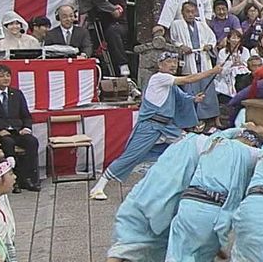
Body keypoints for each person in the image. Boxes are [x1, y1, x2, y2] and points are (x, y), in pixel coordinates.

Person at [151, 130, 262, 262]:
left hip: (189, 203)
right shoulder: (249, 153)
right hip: (213, 211)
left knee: (176, 254)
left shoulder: (214, 143)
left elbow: (221, 133)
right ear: (252, 143)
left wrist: (239, 128)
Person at [88, 133, 209, 262]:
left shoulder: (179, 147)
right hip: (164, 207)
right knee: (161, 245)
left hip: (139, 198)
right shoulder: (202, 157)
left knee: (127, 243)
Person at [89, 52, 220, 200]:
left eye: (175, 62)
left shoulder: (170, 83)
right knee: (131, 157)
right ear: (160, 65)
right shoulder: (159, 78)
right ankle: (99, 186)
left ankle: (185, 182)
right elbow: (188, 79)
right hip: (150, 126)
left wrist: (194, 99)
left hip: (167, 127)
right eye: (169, 61)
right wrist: (212, 71)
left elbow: (182, 98)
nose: (173, 65)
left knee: (187, 146)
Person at [0, 65, 41, 192]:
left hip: (17, 131)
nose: (6, 78)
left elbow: (26, 115)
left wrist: (26, 128)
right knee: (7, 143)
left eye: (8, 75)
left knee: (32, 141)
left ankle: (28, 179)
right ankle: (12, 180)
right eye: (1, 76)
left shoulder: (17, 94)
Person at [170, 1, 221, 125]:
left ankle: (211, 117)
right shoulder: (177, 24)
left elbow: (212, 39)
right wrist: (181, 46)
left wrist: (209, 46)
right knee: (190, 88)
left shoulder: (202, 25)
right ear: (182, 13)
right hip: (189, 59)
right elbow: (174, 40)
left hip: (202, 59)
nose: (190, 14)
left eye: (193, 12)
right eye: (187, 12)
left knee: (207, 88)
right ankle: (192, 118)